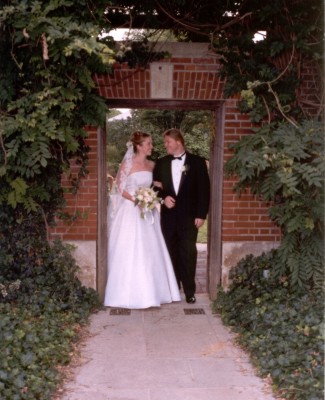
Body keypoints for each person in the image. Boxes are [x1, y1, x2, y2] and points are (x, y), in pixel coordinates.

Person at [104, 131, 181, 309]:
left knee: (150, 250)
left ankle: (154, 292)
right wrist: (136, 200)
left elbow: (156, 184)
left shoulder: (152, 165)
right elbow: (119, 187)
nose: (151, 147)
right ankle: (125, 293)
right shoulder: (127, 164)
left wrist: (154, 194)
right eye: (148, 144)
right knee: (129, 249)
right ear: (139, 146)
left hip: (148, 212)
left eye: (151, 144)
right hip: (130, 211)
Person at [153, 128, 210, 304]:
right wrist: (163, 198)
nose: (165, 145)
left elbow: (204, 190)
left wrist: (201, 214)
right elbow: (154, 187)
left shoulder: (198, 162)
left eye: (168, 142)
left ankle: (190, 291)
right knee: (170, 252)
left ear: (178, 142)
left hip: (190, 217)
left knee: (188, 253)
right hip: (168, 217)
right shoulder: (161, 163)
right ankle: (173, 289)